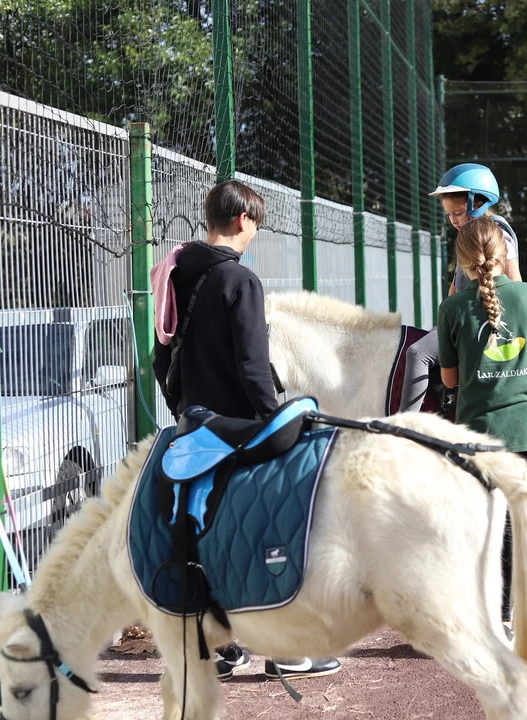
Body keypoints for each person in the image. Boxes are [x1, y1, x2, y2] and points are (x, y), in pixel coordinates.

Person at [151, 179, 342, 682]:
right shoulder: (241, 281)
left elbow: (160, 357)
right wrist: (273, 423)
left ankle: (222, 649)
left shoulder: (175, 272)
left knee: (206, 534)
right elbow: (253, 366)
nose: (255, 232)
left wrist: (186, 410)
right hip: (239, 432)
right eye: (257, 224)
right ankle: (285, 650)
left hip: (195, 431)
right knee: (267, 533)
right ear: (243, 220)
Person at [436, 216, 527, 635]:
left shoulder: (452, 308)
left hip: (476, 434)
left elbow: (449, 381)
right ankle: (506, 615)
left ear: (463, 263)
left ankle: (476, 609)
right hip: (525, 433)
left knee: (479, 521)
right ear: (504, 253)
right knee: (509, 521)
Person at [400, 163, 522, 413]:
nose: (453, 220)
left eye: (457, 212)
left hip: (484, 321)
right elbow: (456, 285)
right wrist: (442, 322)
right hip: (462, 317)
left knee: (417, 354)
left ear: (480, 203)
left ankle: (402, 426)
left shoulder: (498, 233)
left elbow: (514, 282)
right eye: (448, 214)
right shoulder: (468, 234)